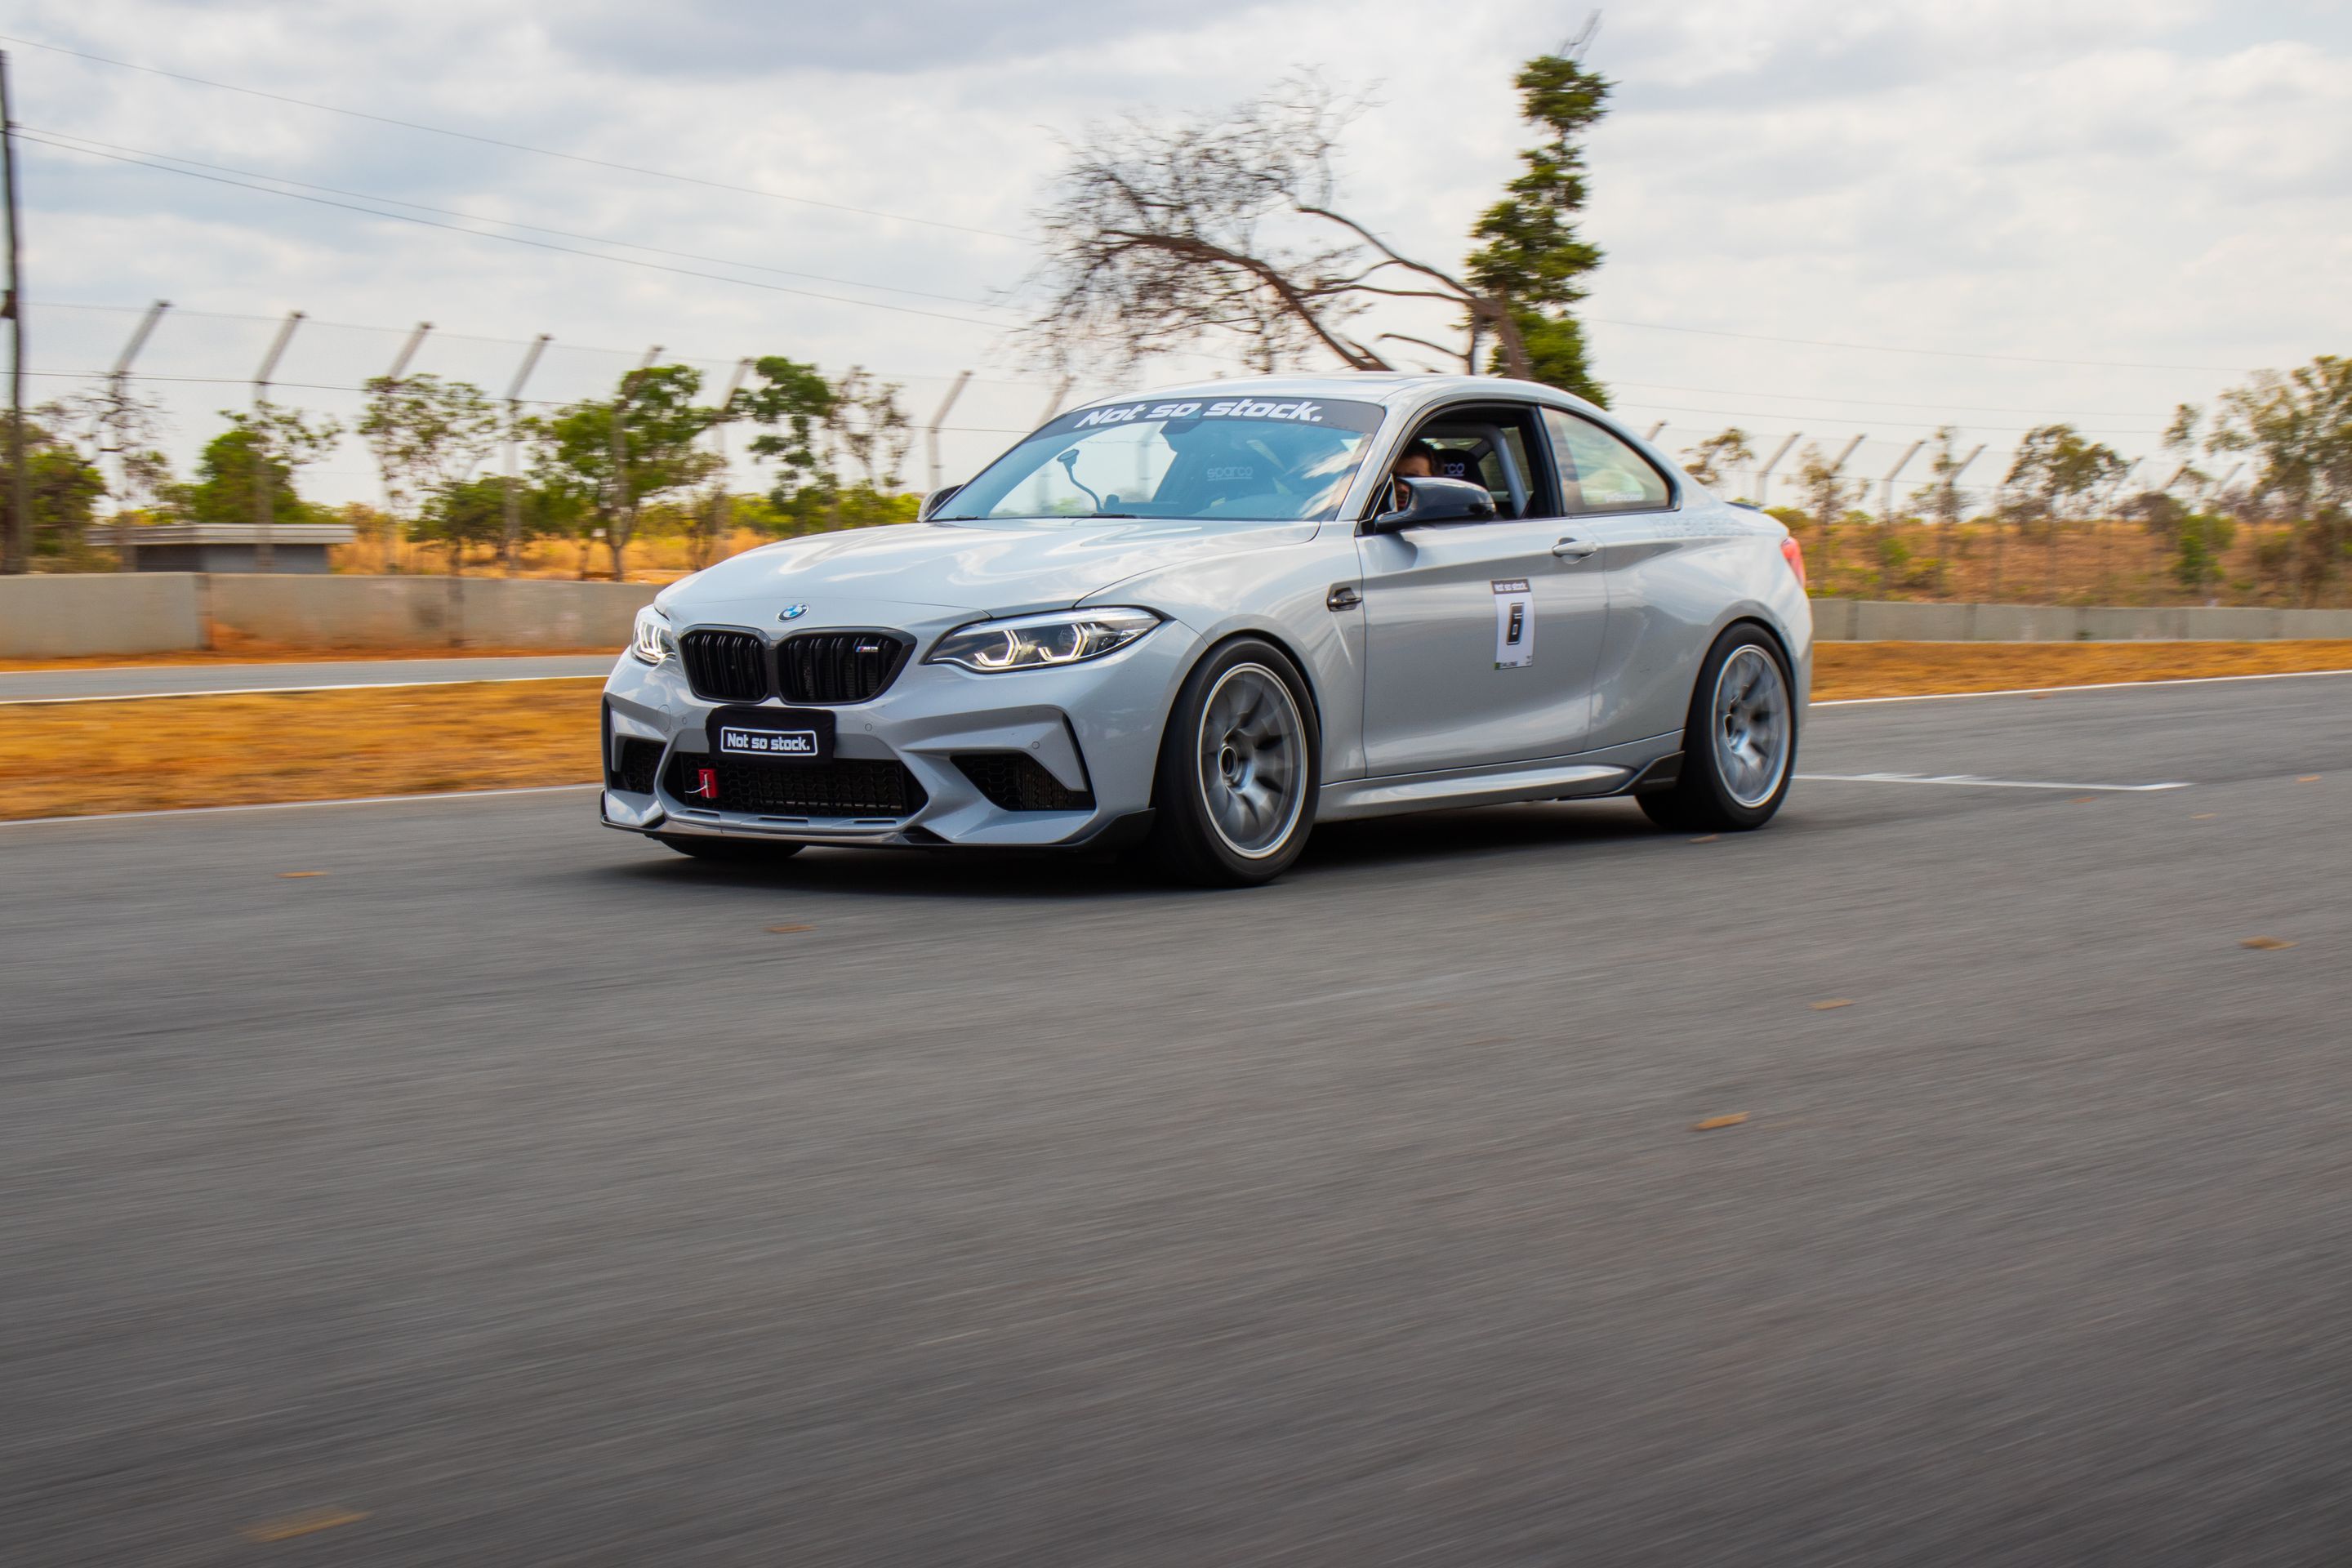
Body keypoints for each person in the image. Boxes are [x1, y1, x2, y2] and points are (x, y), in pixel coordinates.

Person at [1389, 439, 1438, 510]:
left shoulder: (1446, 518)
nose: (1400, 488)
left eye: (1413, 479)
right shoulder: (1369, 511)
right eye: (1393, 478)